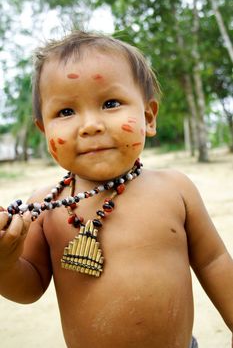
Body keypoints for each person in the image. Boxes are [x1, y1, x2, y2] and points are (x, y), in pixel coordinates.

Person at [0, 30, 232, 348]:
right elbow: (29, 288)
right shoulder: (43, 207)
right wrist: (5, 263)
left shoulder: (175, 189)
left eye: (110, 103)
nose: (91, 125)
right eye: (65, 112)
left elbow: (213, 262)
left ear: (148, 117)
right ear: (44, 130)